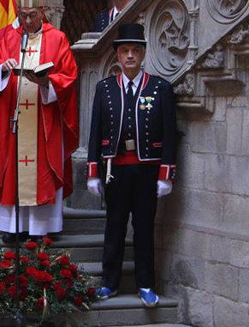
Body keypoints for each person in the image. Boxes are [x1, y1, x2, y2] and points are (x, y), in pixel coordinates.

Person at [87, 23, 177, 307]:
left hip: (148, 171)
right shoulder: (105, 89)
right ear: (117, 55)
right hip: (115, 171)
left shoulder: (160, 88)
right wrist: (93, 172)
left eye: (134, 51)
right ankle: (109, 283)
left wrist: (166, 174)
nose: (129, 56)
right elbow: (94, 132)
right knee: (113, 226)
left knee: (144, 228)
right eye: (124, 51)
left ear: (142, 54)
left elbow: (170, 134)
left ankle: (146, 284)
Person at [0, 0, 79, 243]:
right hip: (13, 118)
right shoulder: (6, 36)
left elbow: (69, 76)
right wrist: (3, 69)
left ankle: (40, 229)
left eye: (32, 16)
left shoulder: (57, 38)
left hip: (44, 120)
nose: (26, 21)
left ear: (42, 11)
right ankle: (13, 227)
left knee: (42, 171)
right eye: (23, 15)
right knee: (13, 167)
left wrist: (46, 81)